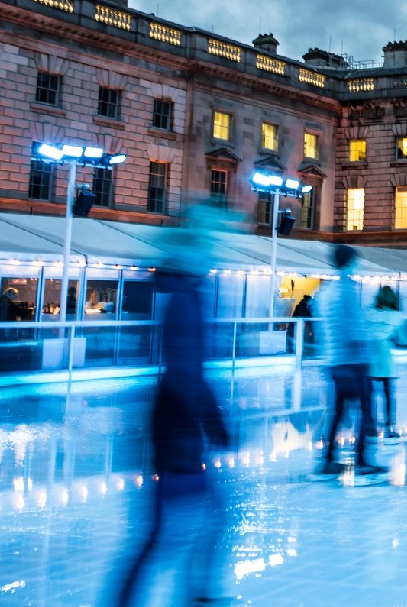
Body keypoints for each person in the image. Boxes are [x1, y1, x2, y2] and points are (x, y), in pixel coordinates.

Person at [113, 205, 232, 606]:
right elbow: (186, 369)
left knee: (189, 523)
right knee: (175, 528)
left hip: (176, 422)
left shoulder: (186, 294)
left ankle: (193, 592)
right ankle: (191, 593)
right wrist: (213, 424)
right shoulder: (185, 299)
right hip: (177, 426)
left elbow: (189, 368)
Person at [311, 245, 388, 482]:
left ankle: (327, 460)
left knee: (337, 411)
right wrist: (366, 349)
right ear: (351, 261)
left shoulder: (324, 292)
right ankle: (363, 461)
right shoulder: (349, 290)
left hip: (334, 361)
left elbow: (321, 326)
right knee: (365, 410)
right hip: (354, 361)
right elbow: (356, 326)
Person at [367, 285, 403, 442]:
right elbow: (402, 338)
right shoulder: (395, 317)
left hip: (370, 358)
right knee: (388, 394)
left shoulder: (369, 314)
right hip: (385, 358)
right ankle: (389, 428)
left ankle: (370, 428)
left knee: (370, 394)